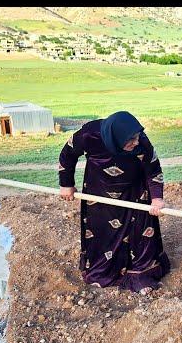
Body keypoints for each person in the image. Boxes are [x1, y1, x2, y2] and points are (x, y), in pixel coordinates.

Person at [58, 111, 171, 295]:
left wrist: (157, 198)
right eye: (131, 140)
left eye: (137, 137)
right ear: (115, 138)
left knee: (140, 233)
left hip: (135, 191)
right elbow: (67, 154)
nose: (136, 142)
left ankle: (140, 274)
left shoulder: (140, 140)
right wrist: (66, 184)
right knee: (102, 232)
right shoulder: (89, 134)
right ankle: (104, 272)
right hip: (99, 191)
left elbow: (153, 168)